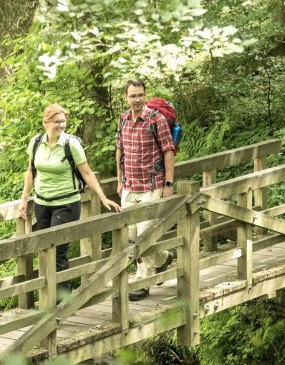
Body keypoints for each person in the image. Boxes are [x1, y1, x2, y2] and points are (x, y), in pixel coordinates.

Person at [19, 103, 121, 279]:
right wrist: (23, 199)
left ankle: (62, 302)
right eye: (56, 122)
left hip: (66, 204)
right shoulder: (36, 142)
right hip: (42, 203)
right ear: (46, 123)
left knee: (58, 251)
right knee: (44, 250)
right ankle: (50, 298)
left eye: (63, 121)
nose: (61, 125)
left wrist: (103, 198)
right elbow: (30, 171)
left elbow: (87, 173)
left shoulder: (71, 144)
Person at [116, 79, 176, 301]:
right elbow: (120, 150)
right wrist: (120, 180)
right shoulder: (123, 119)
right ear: (126, 97)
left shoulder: (156, 119)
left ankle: (143, 282)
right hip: (129, 187)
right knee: (130, 237)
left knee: (144, 236)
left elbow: (168, 151)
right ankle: (163, 259)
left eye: (140, 95)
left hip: (151, 187)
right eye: (133, 96)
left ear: (145, 95)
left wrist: (168, 185)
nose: (137, 99)